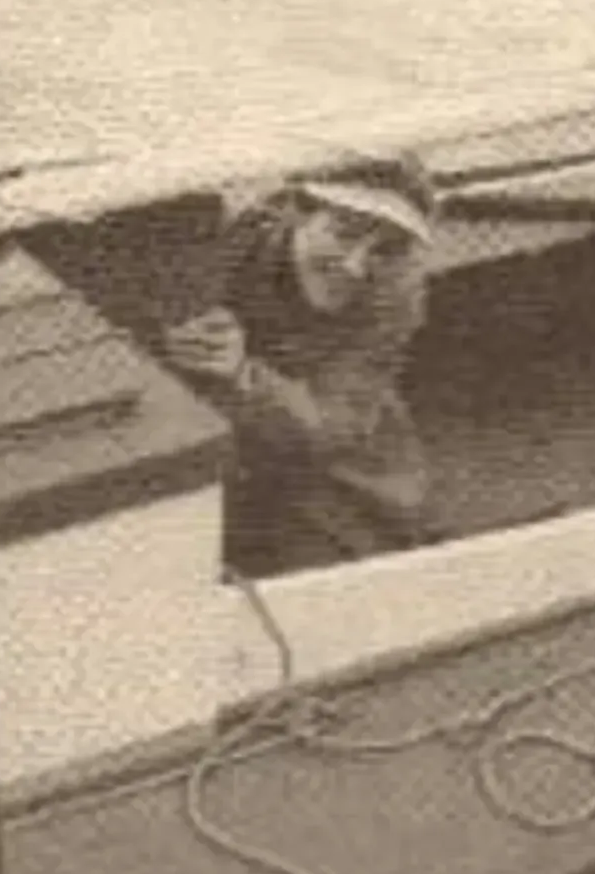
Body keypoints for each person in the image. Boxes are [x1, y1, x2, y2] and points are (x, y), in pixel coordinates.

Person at [163, 152, 448, 575]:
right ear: (294, 211)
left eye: (385, 248)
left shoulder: (396, 289)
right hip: (225, 441)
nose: (355, 266)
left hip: (327, 451)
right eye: (343, 233)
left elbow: (338, 423)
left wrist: (245, 374)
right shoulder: (233, 245)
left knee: (351, 570)